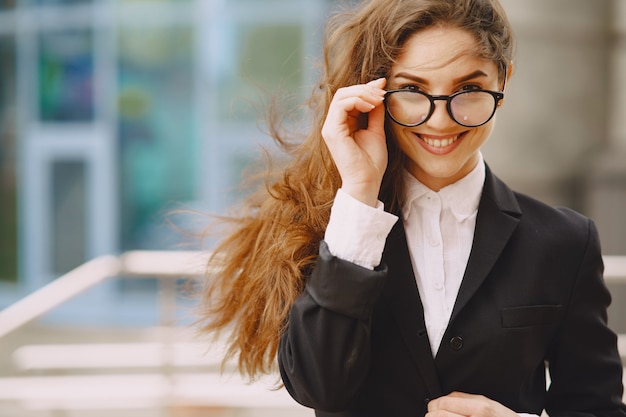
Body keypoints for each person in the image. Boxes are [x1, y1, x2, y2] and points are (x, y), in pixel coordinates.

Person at [198, 0, 626, 416]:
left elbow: (595, 406)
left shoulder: (565, 242)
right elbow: (318, 387)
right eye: (412, 90)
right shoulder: (334, 225)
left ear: (504, 83)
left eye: (469, 89)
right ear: (377, 93)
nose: (440, 121)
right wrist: (361, 195)